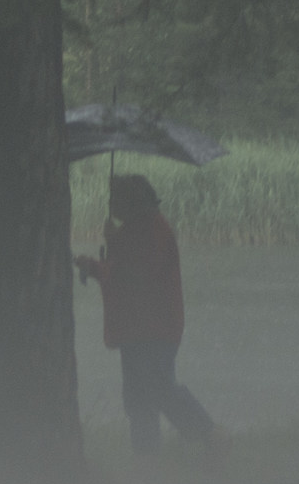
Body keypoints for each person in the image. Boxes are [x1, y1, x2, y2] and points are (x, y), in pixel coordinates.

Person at [75, 173, 220, 458]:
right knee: (138, 396)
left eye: (116, 198)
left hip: (155, 328)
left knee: (159, 387)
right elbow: (123, 271)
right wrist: (108, 250)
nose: (111, 204)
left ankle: (210, 434)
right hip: (137, 328)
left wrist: (103, 257)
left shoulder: (153, 231)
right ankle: (147, 457)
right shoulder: (136, 229)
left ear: (132, 202)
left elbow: (133, 275)